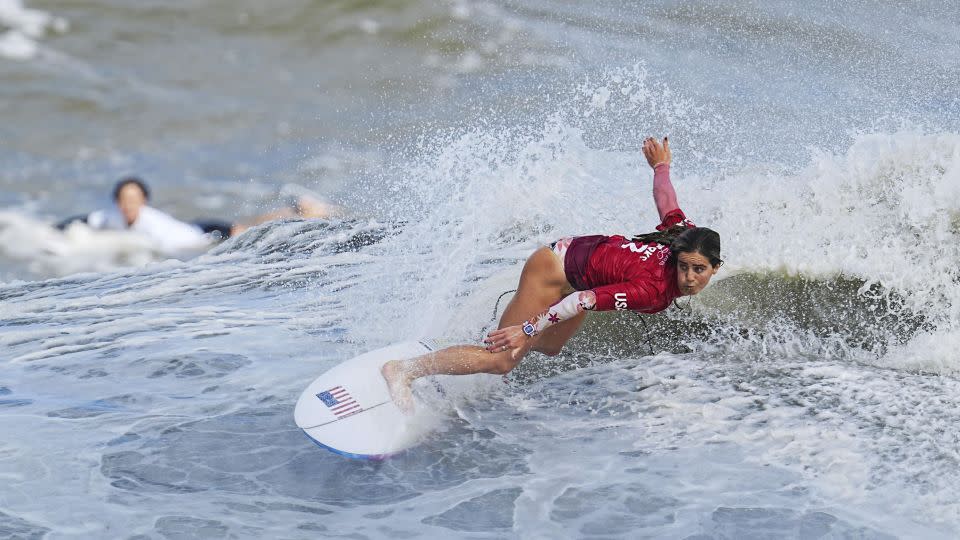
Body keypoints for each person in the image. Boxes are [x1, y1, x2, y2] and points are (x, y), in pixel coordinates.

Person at [381, 137, 723, 411]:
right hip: (555, 269)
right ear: (677, 258)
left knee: (552, 346)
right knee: (503, 360)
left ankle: (483, 339)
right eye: (683, 267)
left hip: (579, 267)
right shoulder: (652, 289)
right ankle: (406, 369)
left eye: (699, 270)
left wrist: (661, 166)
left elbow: (667, 200)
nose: (689, 277)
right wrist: (528, 328)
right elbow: (583, 300)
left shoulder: (684, 234)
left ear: (715, 267)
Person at [60, 176, 340, 254]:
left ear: (144, 201)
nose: (128, 205)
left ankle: (301, 213)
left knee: (246, 229)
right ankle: (298, 210)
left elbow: (164, 251)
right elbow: (86, 219)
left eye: (134, 200)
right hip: (191, 226)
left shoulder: (150, 223)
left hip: (201, 235)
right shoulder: (113, 216)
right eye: (124, 200)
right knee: (247, 224)